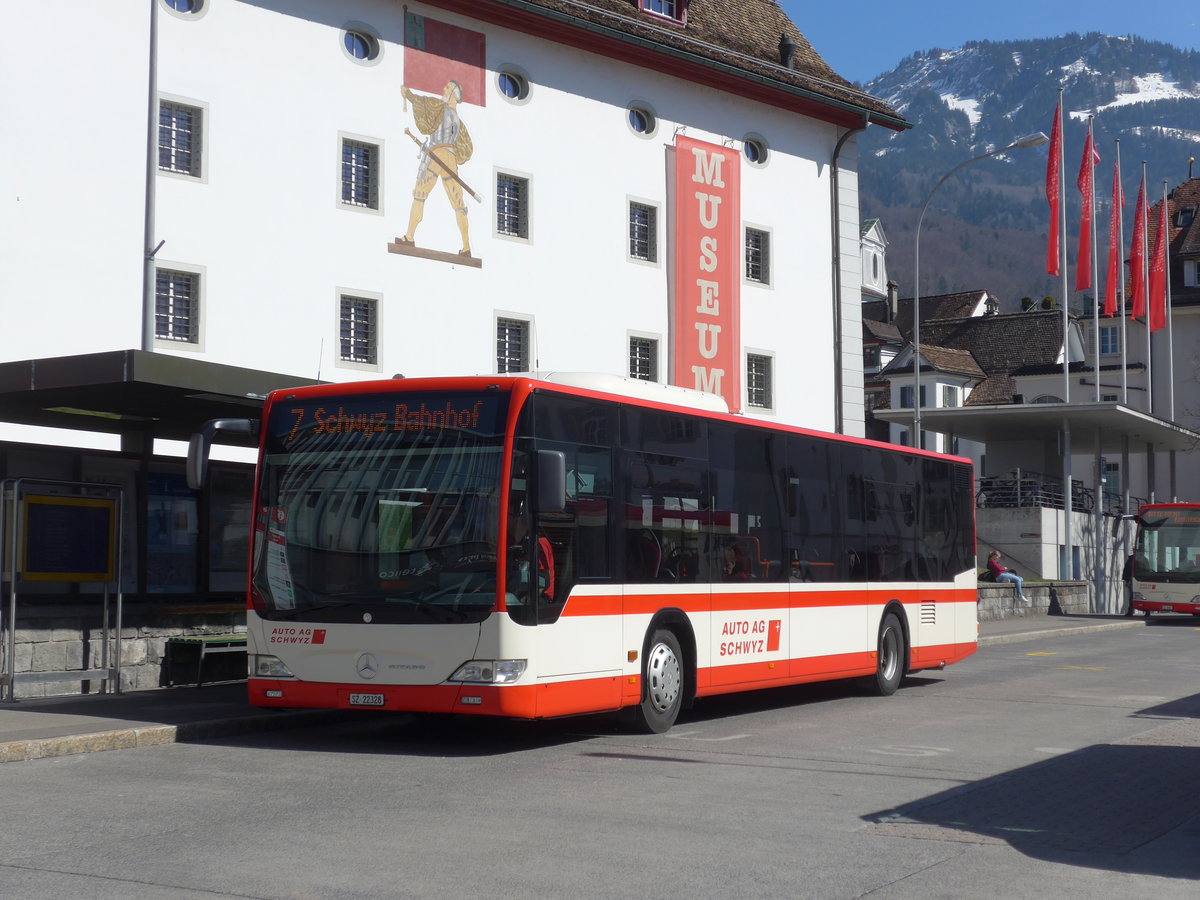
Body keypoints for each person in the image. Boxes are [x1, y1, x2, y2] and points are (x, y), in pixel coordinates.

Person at [399, 81, 473, 256]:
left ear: (455, 94)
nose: (444, 89)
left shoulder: (440, 107)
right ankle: (466, 247)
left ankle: (409, 237)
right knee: (458, 203)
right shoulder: (459, 123)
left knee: (420, 194)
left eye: (447, 88)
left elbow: (422, 102)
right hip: (450, 159)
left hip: (436, 154)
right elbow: (465, 147)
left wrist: (408, 94)